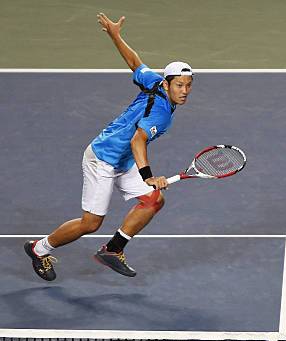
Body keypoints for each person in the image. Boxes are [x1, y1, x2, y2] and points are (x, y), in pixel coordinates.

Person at [24, 13, 193, 280]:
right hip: (102, 158)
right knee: (91, 223)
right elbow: (138, 140)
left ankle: (113, 250)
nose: (184, 91)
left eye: (188, 86)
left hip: (123, 160)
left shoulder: (153, 81)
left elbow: (134, 62)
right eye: (180, 85)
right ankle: (38, 248)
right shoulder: (160, 112)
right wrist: (149, 176)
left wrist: (115, 35)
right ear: (167, 83)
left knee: (153, 199)